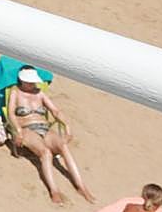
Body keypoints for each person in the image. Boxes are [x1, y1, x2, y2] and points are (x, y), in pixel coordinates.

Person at [7, 66, 97, 204]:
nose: (32, 84)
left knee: (63, 145)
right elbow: (11, 114)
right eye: (29, 82)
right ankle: (54, 190)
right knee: (45, 153)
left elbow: (55, 111)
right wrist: (18, 131)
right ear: (22, 80)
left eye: (33, 82)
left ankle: (81, 186)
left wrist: (67, 126)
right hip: (27, 129)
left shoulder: (40, 93)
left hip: (44, 127)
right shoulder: (15, 93)